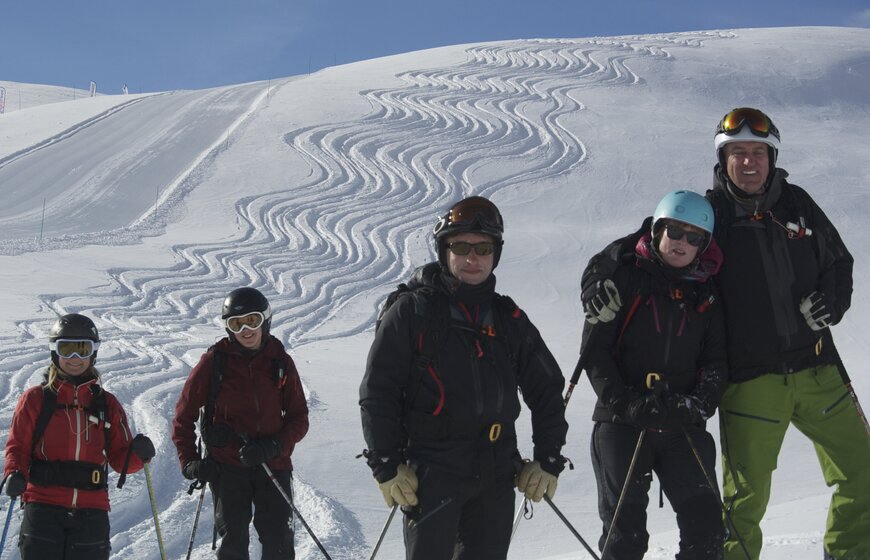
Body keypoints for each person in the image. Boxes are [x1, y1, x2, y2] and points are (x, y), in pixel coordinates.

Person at [581, 108, 870, 560]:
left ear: (772, 158)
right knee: (744, 501)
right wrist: (596, 280)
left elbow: (839, 263)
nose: (749, 162)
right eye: (738, 153)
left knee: (862, 469)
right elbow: (634, 249)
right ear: (724, 159)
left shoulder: (798, 204)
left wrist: (833, 301)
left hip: (819, 367)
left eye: (759, 152)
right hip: (752, 378)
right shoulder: (705, 214)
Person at [359, 195, 569, 560]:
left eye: (484, 248)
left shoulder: (507, 317)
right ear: (445, 251)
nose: (472, 258)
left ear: (495, 254)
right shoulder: (413, 311)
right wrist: (386, 465)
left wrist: (548, 458)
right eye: (461, 246)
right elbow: (379, 391)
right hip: (432, 472)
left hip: (497, 469)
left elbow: (547, 387)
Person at [581, 190, 727, 559]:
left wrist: (696, 406)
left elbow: (716, 362)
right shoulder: (626, 278)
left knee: (706, 529)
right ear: (658, 230)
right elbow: (595, 354)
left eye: (694, 238)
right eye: (675, 232)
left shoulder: (706, 294)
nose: (682, 243)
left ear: (703, 246)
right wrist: (626, 404)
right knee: (624, 536)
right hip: (623, 421)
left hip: (681, 424)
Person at [3, 313, 155, 560]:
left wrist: (138, 455)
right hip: (43, 505)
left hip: (91, 509)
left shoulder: (107, 404)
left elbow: (120, 460)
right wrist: (14, 473)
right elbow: (17, 446)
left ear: (93, 353)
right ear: (55, 352)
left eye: (82, 350)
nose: (75, 358)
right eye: (67, 349)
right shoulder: (36, 399)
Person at [172, 287, 309, 560]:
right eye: (237, 324)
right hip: (228, 468)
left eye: (252, 321)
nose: (246, 330)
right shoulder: (214, 363)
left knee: (279, 540)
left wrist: (273, 446)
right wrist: (190, 462)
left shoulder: (280, 362)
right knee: (233, 541)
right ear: (228, 328)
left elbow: (299, 419)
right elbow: (183, 417)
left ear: (265, 321)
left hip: (273, 464)